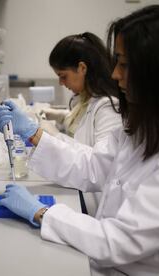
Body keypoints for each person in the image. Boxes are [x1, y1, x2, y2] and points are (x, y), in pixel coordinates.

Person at [0, 5, 159, 275]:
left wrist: (42, 213)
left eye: (124, 64)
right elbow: (92, 164)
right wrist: (33, 133)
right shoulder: (141, 128)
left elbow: (122, 240)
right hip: (103, 260)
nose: (115, 73)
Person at [41, 32, 122, 215]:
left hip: (93, 202)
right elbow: (79, 122)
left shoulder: (109, 108)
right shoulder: (86, 98)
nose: (61, 83)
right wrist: (61, 117)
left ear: (82, 68)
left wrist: (51, 136)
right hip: (77, 189)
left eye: (63, 76)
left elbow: (99, 166)